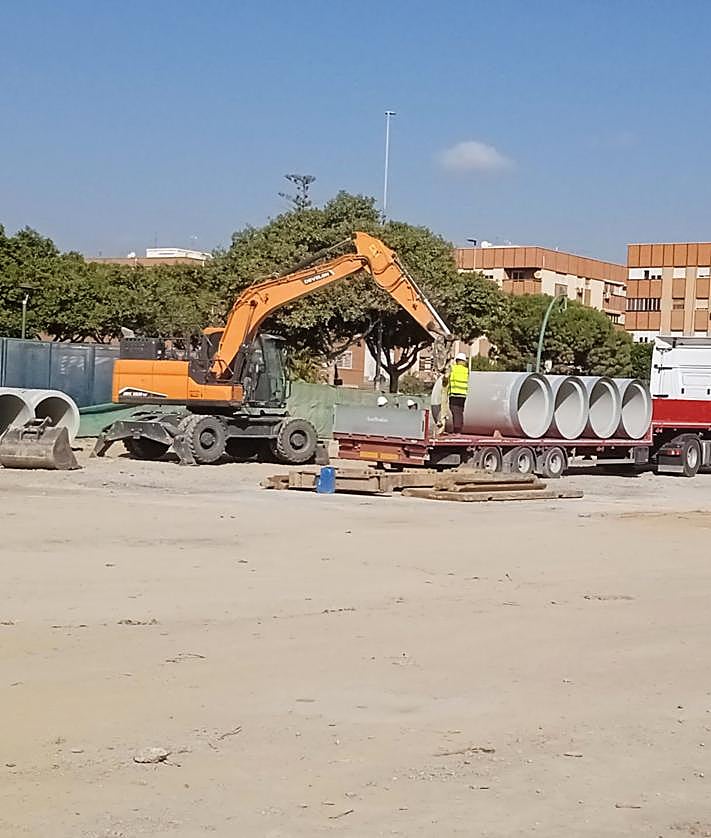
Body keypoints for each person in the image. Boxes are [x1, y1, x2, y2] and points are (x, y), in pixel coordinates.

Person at [446, 352, 469, 433]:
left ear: (457, 361)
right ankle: (459, 429)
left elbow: (446, 376)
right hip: (463, 395)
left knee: (455, 412)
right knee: (460, 412)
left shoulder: (453, 369)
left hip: (454, 394)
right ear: (464, 361)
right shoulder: (467, 371)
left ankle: (457, 430)